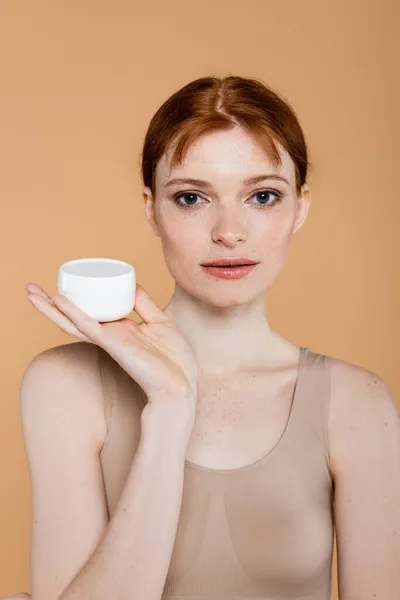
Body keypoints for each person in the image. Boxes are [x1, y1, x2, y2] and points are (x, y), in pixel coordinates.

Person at [5, 75, 399, 600]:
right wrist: (170, 408)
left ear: (300, 207)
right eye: (191, 197)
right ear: (152, 209)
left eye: (263, 196)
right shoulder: (67, 385)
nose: (229, 232)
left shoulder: (358, 403)